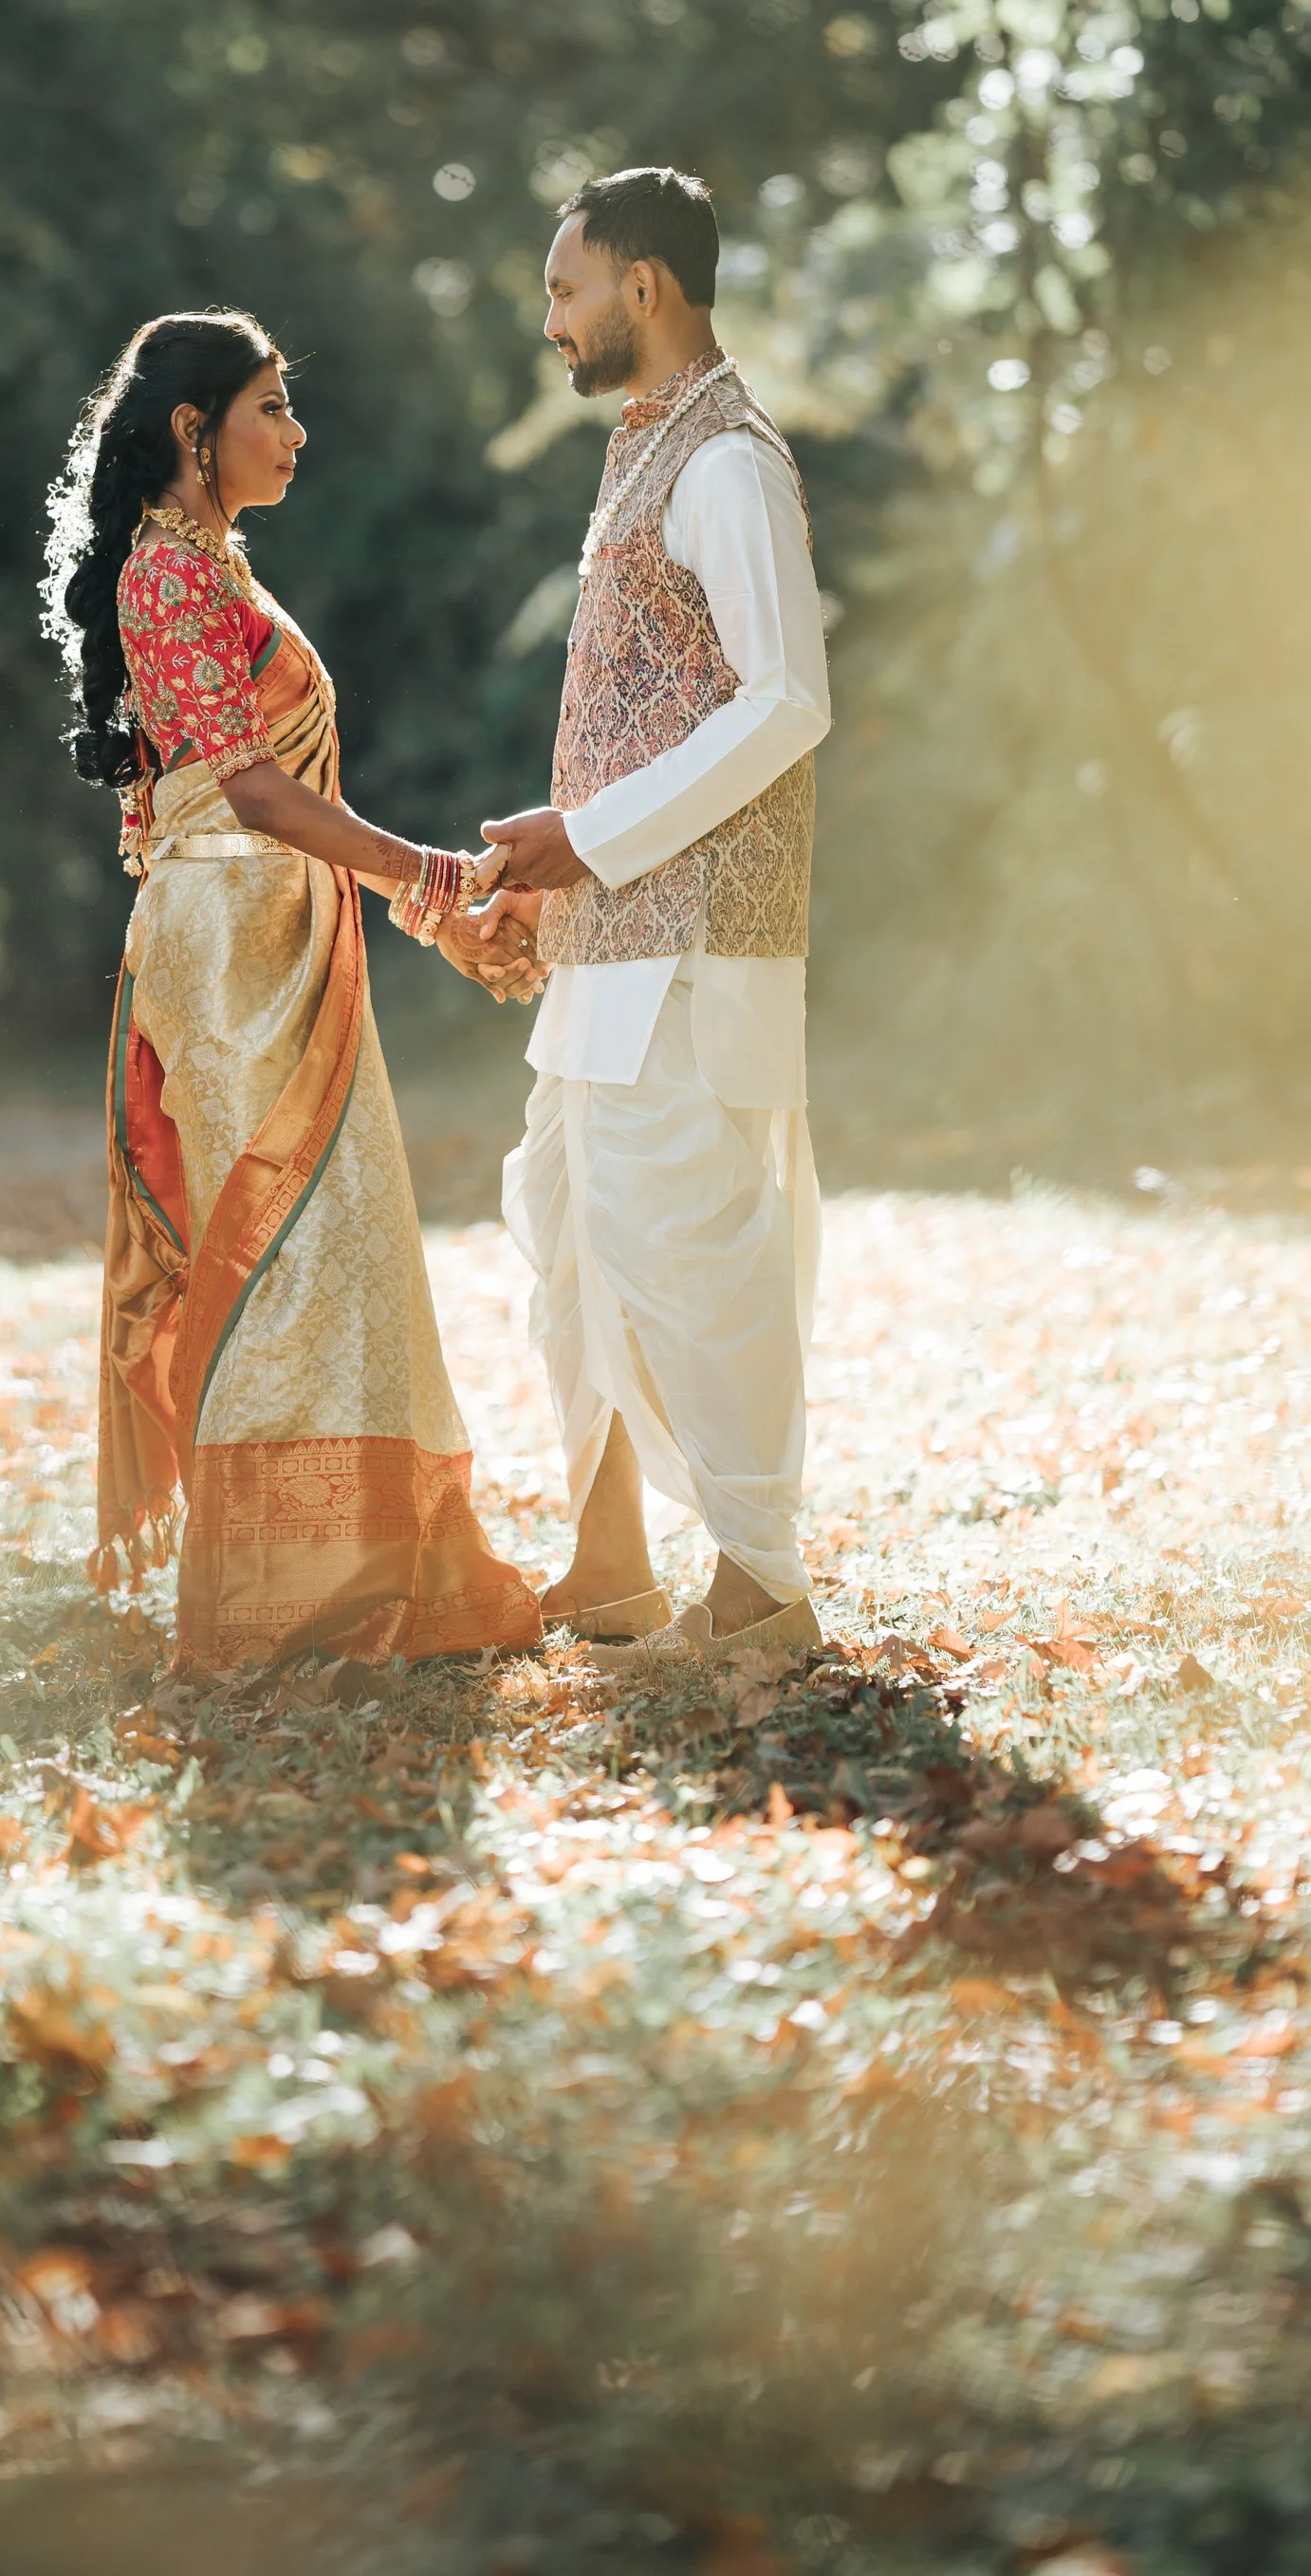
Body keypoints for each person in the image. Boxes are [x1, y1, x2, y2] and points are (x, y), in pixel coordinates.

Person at [44, 309, 543, 1673]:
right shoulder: (164, 574)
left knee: (345, 1245)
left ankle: (373, 1566)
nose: (297, 431)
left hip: (283, 927)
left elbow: (285, 799)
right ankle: (282, 1598)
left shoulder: (215, 565)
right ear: (195, 430)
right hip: (226, 953)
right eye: (272, 405)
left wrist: (426, 909)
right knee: (278, 1253)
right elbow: (257, 792)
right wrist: (435, 881)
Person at [477, 169, 831, 1661]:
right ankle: (609, 1559)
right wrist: (547, 884)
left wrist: (588, 840)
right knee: (569, 1236)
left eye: (567, 290)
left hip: (692, 945)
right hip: (610, 945)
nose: (550, 322)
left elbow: (790, 701)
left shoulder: (728, 463)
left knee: (689, 1246)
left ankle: (761, 1585)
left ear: (647, 288)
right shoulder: (641, 451)